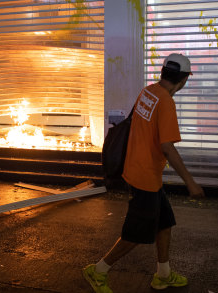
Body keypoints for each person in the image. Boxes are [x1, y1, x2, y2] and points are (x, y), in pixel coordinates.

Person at [83, 53, 205, 293]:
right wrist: (190, 182)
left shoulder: (148, 91)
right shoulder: (166, 102)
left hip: (141, 171)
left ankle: (163, 275)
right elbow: (167, 147)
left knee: (165, 222)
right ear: (183, 80)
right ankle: (98, 271)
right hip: (145, 178)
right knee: (136, 234)